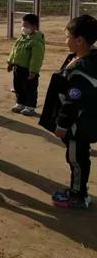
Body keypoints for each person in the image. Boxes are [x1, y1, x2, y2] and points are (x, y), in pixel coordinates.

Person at [40, 15, 97, 210]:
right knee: (78, 157)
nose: (66, 41)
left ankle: (78, 196)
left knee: (76, 159)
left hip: (77, 126)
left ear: (79, 40)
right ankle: (77, 190)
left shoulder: (81, 71)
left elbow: (73, 103)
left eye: (67, 36)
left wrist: (62, 125)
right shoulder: (85, 59)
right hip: (84, 123)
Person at [7, 14, 45, 116]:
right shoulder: (21, 38)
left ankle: (30, 106)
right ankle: (20, 103)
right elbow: (14, 50)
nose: (24, 28)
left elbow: (37, 58)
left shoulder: (36, 41)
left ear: (34, 26)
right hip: (18, 68)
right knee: (18, 87)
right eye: (22, 25)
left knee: (30, 88)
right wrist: (10, 62)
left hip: (29, 70)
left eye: (26, 26)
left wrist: (33, 71)